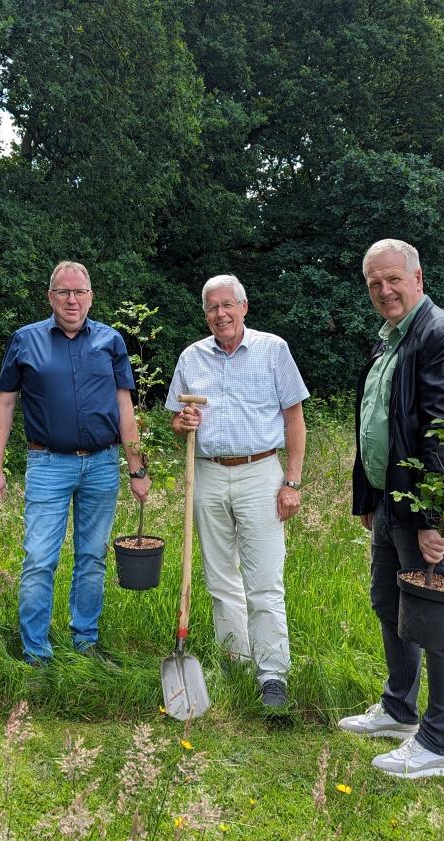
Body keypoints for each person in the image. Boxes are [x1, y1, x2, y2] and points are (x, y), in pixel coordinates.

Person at [338, 238, 444, 778]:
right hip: (391, 503)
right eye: (374, 283)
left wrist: (433, 520)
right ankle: (399, 710)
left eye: (393, 279)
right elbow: (377, 422)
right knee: (391, 604)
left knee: (436, 622)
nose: (384, 290)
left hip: (427, 510)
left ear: (418, 278)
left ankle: (439, 745)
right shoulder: (389, 341)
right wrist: (369, 496)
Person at [0, 261, 150, 664]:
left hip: (102, 464)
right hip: (47, 464)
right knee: (39, 559)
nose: (72, 300)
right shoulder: (25, 340)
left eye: (79, 292)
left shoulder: (111, 341)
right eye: (63, 292)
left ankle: (85, 642)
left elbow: (125, 407)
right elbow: (4, 404)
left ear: (91, 296)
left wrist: (137, 468)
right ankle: (35, 653)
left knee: (92, 558)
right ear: (50, 297)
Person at [165, 275, 308, 708]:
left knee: (264, 580)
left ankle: (272, 675)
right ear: (205, 314)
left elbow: (294, 419)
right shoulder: (191, 357)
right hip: (207, 473)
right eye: (212, 307)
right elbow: (176, 421)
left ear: (244, 307)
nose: (221, 314)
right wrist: (182, 424)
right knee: (220, 579)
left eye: (228, 305)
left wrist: (292, 482)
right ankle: (236, 665)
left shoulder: (273, 349)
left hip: (260, 471)